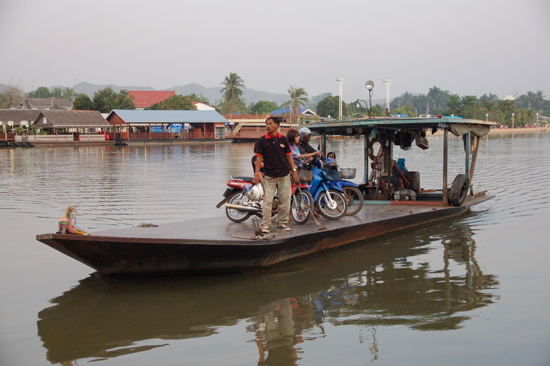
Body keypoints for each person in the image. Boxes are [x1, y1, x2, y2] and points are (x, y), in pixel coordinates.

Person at [253, 117, 300, 233]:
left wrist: (294, 171)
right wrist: (257, 174)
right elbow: (258, 158)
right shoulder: (262, 141)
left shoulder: (283, 140)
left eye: (270, 124)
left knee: (284, 200)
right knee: (267, 202)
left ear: (277, 125)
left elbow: (289, 156)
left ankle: (281, 223)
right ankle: (266, 224)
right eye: (267, 124)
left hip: (284, 175)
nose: (268, 126)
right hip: (269, 176)